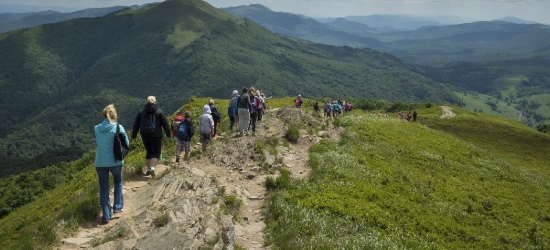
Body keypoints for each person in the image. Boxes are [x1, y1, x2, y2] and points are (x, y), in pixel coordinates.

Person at [94, 104, 128, 224]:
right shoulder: (118, 127)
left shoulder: (96, 128)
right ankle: (117, 207)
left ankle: (106, 216)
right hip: (115, 161)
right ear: (114, 115)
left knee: (103, 188)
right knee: (118, 182)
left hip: (100, 162)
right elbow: (126, 143)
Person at [132, 96, 171, 177]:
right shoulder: (159, 111)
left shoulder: (141, 111)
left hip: (144, 134)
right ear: (155, 101)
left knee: (149, 151)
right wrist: (168, 134)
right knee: (156, 152)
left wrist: (134, 135)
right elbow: (165, 124)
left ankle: (148, 169)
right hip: (156, 135)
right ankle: (152, 168)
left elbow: (136, 124)